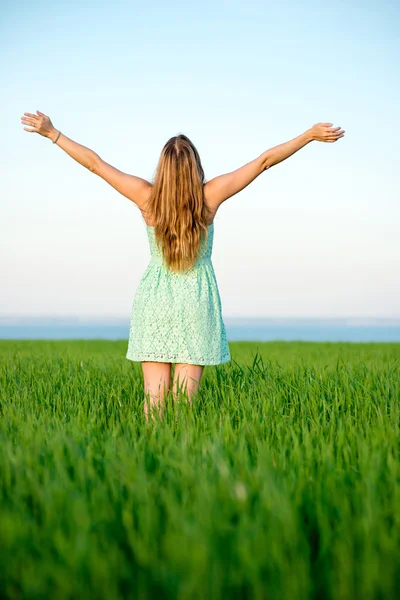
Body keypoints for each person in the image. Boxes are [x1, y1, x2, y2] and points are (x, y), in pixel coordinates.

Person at [21, 110, 345, 419]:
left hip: (155, 301)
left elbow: (95, 165)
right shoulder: (210, 197)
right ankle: (183, 464)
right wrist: (308, 136)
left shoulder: (145, 197)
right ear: (195, 167)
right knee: (184, 407)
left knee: (154, 403)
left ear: (162, 167)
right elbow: (262, 163)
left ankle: (151, 465)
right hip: (196, 301)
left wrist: (53, 133)